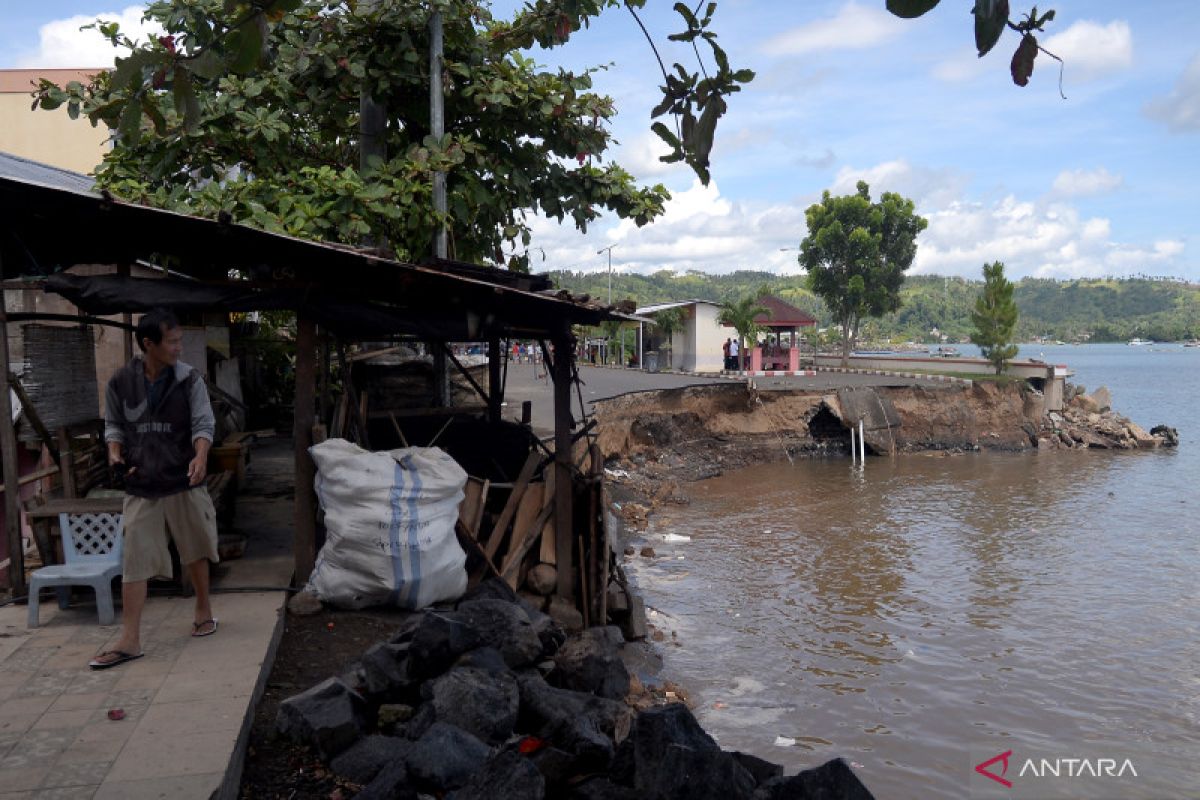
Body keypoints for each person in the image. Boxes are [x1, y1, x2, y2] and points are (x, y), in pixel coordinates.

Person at [89, 308, 219, 669]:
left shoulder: (189, 379)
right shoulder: (120, 382)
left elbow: (203, 423)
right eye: (173, 341)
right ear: (149, 344)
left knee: (194, 546)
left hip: (183, 476)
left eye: (179, 341)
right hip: (141, 481)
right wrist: (114, 453)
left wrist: (201, 457)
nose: (179, 347)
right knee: (136, 558)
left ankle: (203, 608)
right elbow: (113, 426)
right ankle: (130, 639)